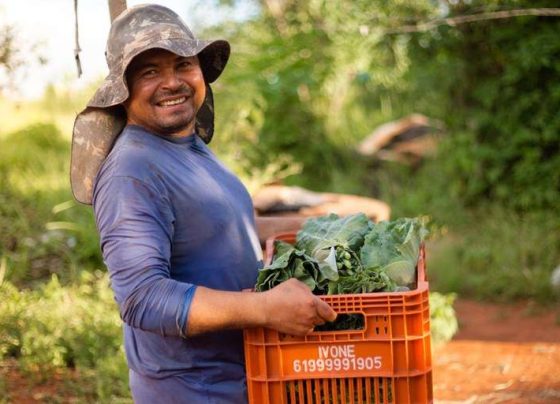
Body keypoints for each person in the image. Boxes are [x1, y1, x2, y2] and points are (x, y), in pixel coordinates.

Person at [69, 4, 336, 403]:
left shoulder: (188, 148)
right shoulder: (133, 171)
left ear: (200, 72)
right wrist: (265, 308)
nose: (171, 82)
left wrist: (317, 233)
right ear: (122, 89)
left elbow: (219, 231)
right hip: (192, 390)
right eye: (150, 72)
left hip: (239, 381)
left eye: (182, 65)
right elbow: (143, 299)